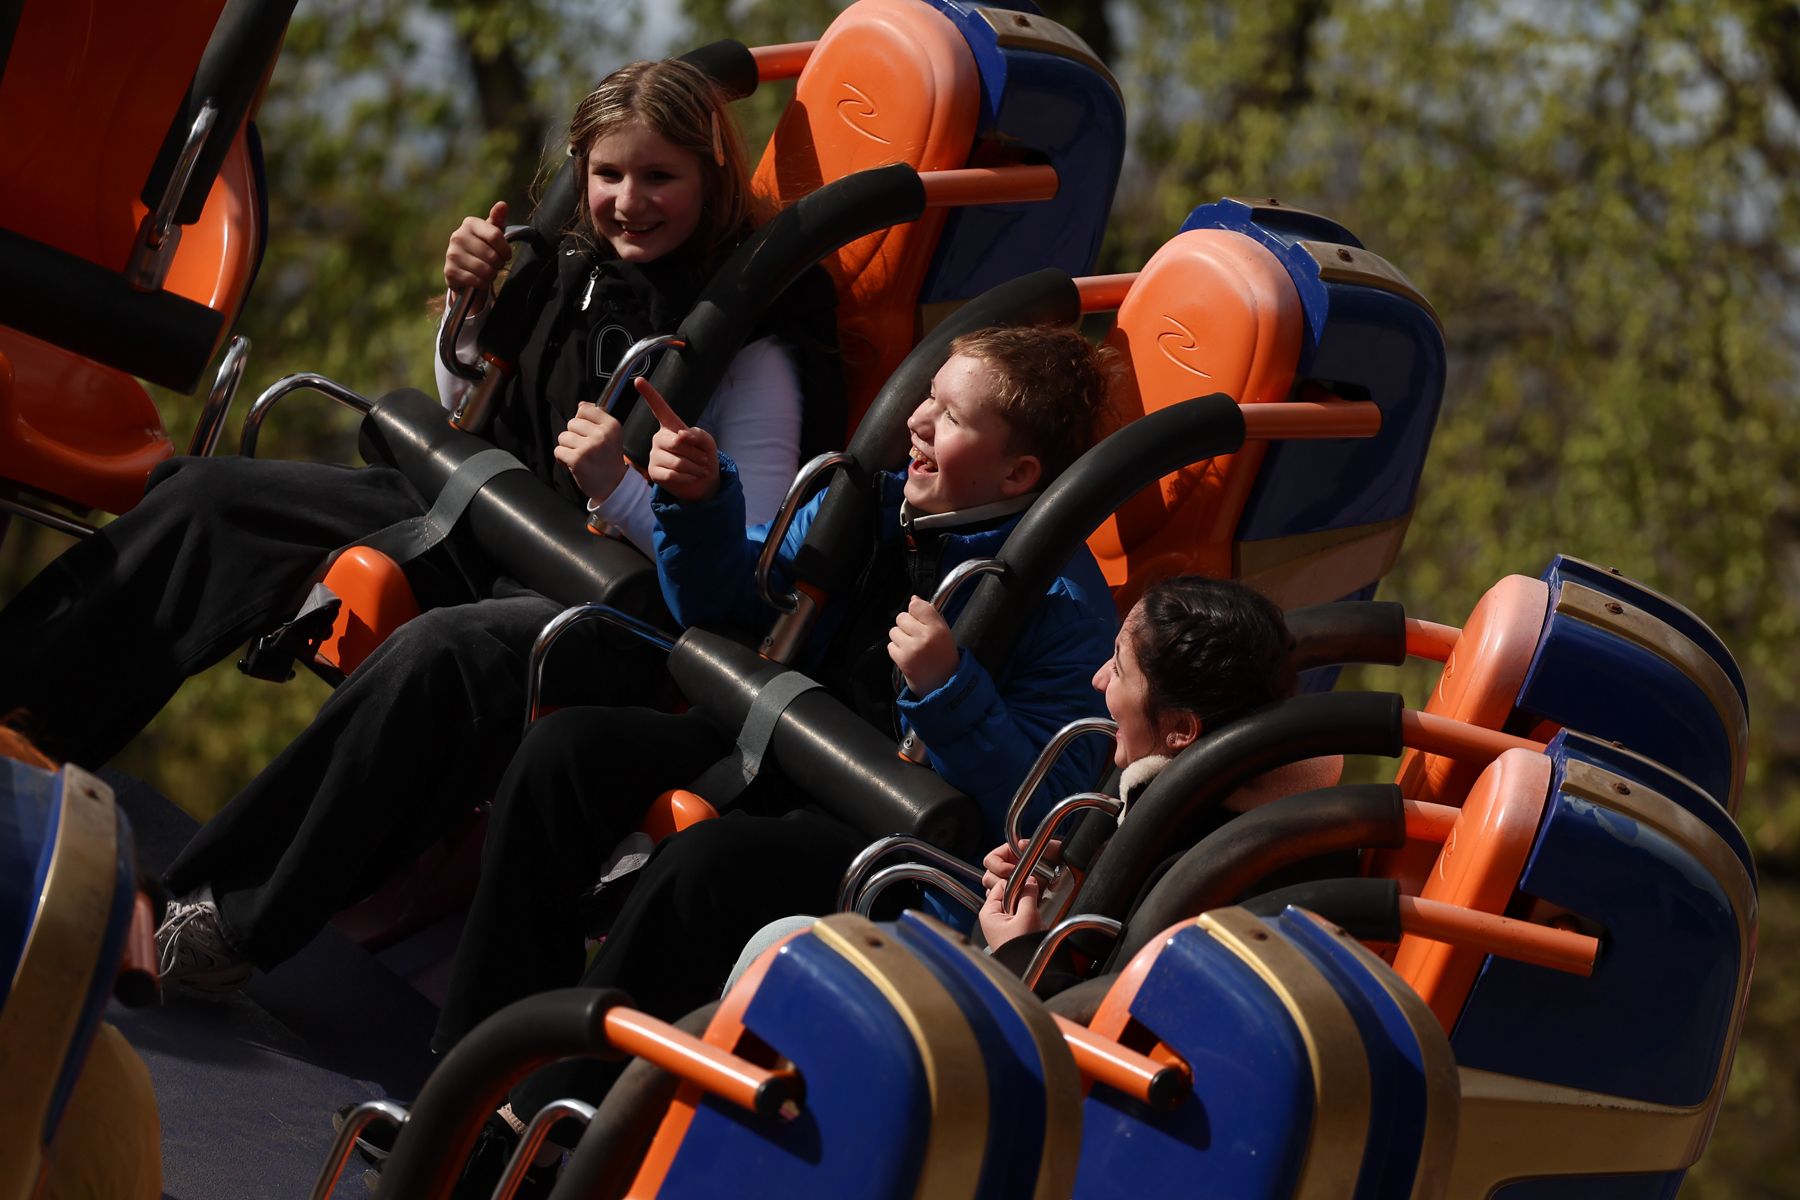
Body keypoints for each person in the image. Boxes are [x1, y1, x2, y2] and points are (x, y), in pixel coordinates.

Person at [0, 58, 833, 989]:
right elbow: (473, 398)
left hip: (615, 597)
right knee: (208, 499)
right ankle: (19, 731)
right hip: (485, 511)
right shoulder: (571, 268)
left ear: (711, 180)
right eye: (608, 174)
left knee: (440, 655)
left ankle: (214, 918)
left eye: (659, 177)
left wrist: (630, 491)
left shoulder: (748, 347)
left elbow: (744, 568)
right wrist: (469, 312)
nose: (628, 202)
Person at [420, 324, 1119, 1187]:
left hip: (887, 828)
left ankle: (541, 1134)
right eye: (926, 399)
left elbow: (1041, 811)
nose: (918, 421)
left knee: (707, 869)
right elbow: (729, 603)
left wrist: (949, 691)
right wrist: (700, 502)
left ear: (1018, 475)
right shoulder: (863, 503)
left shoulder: (1060, 606)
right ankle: (468, 1077)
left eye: (951, 417)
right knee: (564, 752)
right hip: (773, 741)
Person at [975, 573, 1337, 959]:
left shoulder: (1200, 877)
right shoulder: (1288, 816)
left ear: (1180, 729)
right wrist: (1091, 869)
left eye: (1118, 668)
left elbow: (1120, 995)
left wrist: (1019, 951)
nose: (1098, 679)